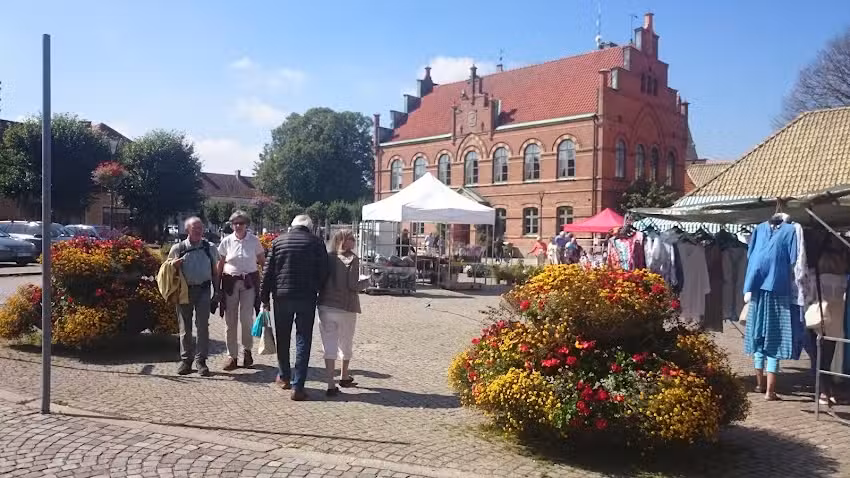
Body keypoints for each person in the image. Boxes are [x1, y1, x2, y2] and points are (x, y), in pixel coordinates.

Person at [261, 215, 329, 401]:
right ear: (310, 227)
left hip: (281, 296)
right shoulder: (316, 242)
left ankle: (284, 376)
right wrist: (318, 288)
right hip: (306, 296)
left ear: (292, 226)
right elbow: (324, 270)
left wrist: (264, 296)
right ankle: (298, 386)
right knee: (303, 339)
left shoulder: (278, 242)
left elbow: (268, 271)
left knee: (283, 337)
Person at [168, 217, 220, 376]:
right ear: (187, 230)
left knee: (203, 327)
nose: (198, 231)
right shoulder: (178, 248)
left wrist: (217, 292)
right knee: (185, 328)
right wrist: (173, 265)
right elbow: (166, 270)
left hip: (204, 290)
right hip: (184, 291)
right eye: (195, 228)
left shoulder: (209, 247)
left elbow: (215, 271)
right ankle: (186, 360)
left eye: (200, 228)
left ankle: (201, 361)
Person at [318, 230, 367, 396]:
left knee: (328, 345)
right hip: (346, 306)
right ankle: (344, 375)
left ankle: (330, 383)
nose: (354, 241)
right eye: (351, 239)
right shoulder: (352, 259)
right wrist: (367, 282)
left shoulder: (326, 257)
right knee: (345, 341)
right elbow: (353, 285)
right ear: (343, 241)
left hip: (326, 305)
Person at [217, 210, 266, 371]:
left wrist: (266, 282)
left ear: (246, 225)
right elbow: (220, 263)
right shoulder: (226, 241)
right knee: (230, 320)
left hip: (248, 283)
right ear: (232, 225)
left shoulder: (254, 241)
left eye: (241, 223)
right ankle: (232, 356)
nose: (238, 226)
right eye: (235, 223)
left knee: (246, 319)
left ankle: (247, 350)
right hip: (230, 282)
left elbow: (262, 262)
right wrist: (216, 285)